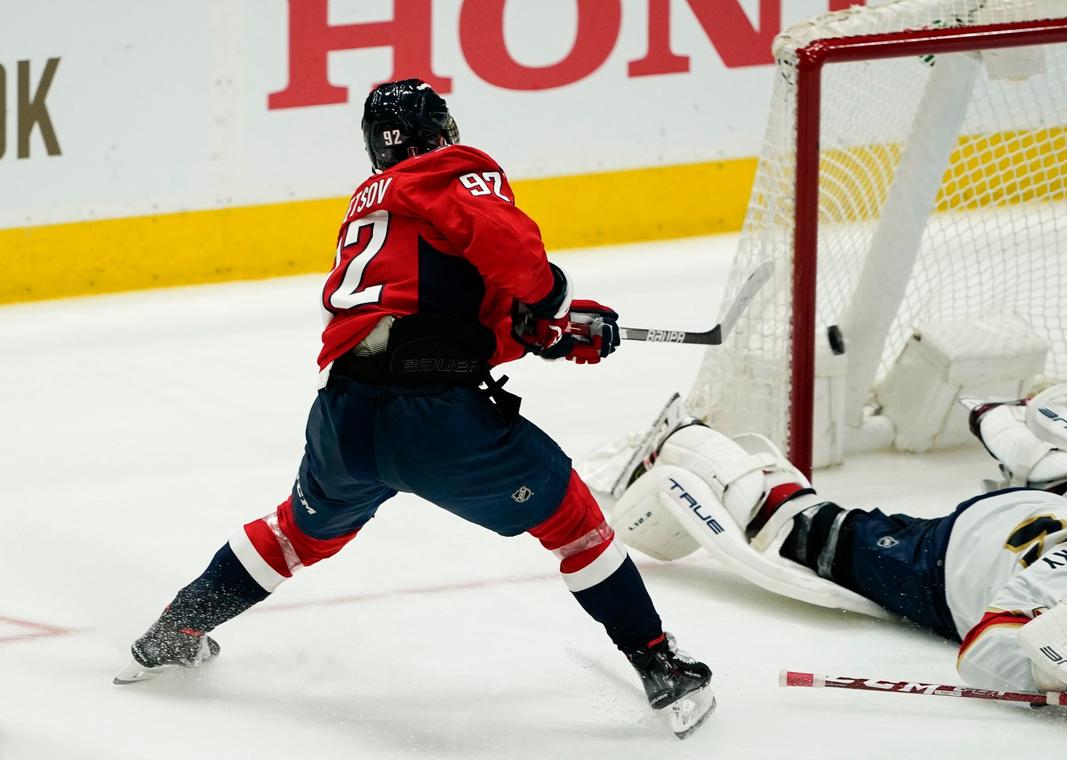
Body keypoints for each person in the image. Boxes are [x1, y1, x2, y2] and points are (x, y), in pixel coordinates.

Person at [114, 79, 714, 739]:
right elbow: (513, 256)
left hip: (346, 418)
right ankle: (662, 667)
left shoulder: (372, 206)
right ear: (438, 132)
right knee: (573, 521)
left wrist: (543, 330)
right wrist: (555, 307)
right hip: (437, 421)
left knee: (296, 534)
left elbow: (430, 311)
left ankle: (172, 632)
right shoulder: (453, 171)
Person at [593, 379, 1067, 729]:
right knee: (799, 530)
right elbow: (983, 651)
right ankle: (688, 440)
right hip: (949, 558)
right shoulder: (1060, 584)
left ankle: (1001, 421)